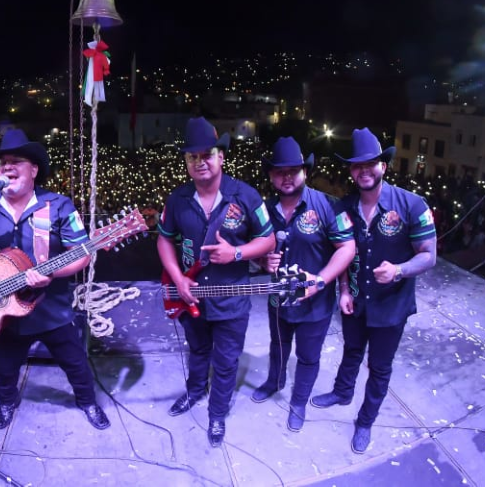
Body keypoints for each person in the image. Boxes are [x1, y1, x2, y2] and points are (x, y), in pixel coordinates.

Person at [0, 128, 111, 431]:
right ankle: (7, 402)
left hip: (51, 310)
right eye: (1, 163)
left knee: (75, 363)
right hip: (6, 315)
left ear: (33, 170)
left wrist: (50, 273)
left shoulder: (58, 205)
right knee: (5, 370)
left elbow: (81, 255)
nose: (7, 166)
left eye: (16, 161)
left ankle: (87, 402)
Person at [310, 128, 437, 454]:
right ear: (351, 170)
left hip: (391, 307)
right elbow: (342, 254)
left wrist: (399, 270)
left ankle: (365, 421)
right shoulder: (344, 207)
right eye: (356, 165)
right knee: (351, 351)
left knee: (379, 367)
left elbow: (428, 255)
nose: (363, 170)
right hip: (355, 300)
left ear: (384, 165)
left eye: (370, 163)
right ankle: (342, 392)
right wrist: (343, 290)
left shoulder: (411, 205)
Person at [157, 117, 275, 447]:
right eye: (192, 156)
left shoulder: (246, 196)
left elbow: (267, 240)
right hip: (191, 295)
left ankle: (217, 413)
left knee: (225, 361)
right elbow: (164, 239)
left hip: (230, 299)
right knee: (197, 351)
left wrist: (236, 253)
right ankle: (195, 391)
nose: (200, 162)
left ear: (221, 156)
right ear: (186, 162)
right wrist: (178, 278)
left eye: (206, 154)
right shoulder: (177, 199)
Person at [250, 137, 355, 433]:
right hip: (278, 299)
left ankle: (298, 402)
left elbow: (347, 249)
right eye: (279, 171)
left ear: (305, 172)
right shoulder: (264, 209)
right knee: (278, 346)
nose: (286, 177)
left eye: (293, 171)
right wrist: (262, 261)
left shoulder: (328, 205)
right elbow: (255, 249)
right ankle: (275, 381)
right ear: (271, 175)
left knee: (308, 356)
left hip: (315, 303)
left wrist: (320, 281)